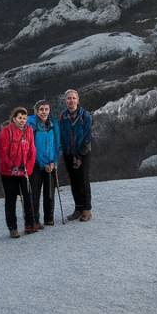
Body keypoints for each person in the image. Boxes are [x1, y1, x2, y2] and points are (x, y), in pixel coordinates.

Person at [0, 106, 36, 238]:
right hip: (9, 173)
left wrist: (29, 168)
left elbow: (32, 150)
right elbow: (3, 152)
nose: (22, 121)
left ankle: (30, 224)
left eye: (24, 118)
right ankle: (12, 228)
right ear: (14, 118)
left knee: (27, 197)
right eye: (19, 118)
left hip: (24, 171)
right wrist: (12, 167)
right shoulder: (6, 132)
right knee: (11, 199)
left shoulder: (29, 131)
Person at [58, 89, 93, 222]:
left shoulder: (85, 116)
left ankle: (87, 209)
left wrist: (79, 154)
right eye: (68, 98)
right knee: (74, 181)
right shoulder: (62, 117)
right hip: (68, 153)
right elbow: (61, 135)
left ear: (78, 100)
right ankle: (78, 208)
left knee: (83, 180)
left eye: (73, 98)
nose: (71, 101)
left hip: (83, 152)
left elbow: (87, 136)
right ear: (65, 101)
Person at [28, 100, 59, 228]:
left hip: (51, 164)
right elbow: (31, 148)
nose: (44, 112)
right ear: (36, 111)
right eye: (41, 109)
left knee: (50, 192)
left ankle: (49, 218)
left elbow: (57, 145)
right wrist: (41, 163)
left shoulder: (53, 125)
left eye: (46, 109)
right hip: (36, 165)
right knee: (34, 193)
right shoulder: (31, 126)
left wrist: (54, 161)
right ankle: (35, 220)